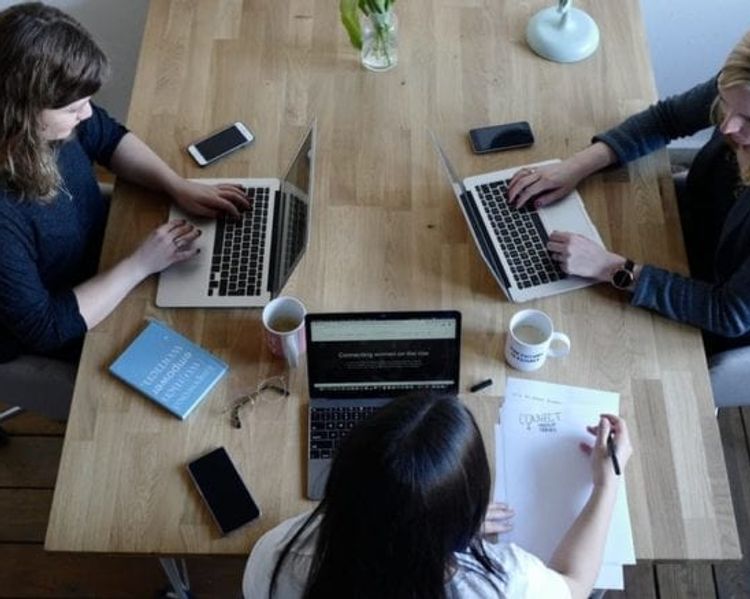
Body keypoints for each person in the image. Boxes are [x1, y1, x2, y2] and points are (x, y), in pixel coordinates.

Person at [0, 3, 248, 418]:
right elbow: (45, 327)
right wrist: (140, 264)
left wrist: (176, 185)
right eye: (71, 109)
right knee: (216, 362)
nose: (85, 114)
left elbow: (108, 138)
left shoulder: (52, 124)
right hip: (68, 322)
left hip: (112, 258)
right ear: (19, 113)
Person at [507, 30, 750, 360]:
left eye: (748, 120)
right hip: (683, 232)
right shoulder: (740, 89)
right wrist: (575, 167)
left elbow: (727, 313)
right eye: (726, 105)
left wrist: (611, 269)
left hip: (705, 305)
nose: (727, 128)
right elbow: (667, 119)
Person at [242, 394, 632, 599]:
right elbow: (575, 584)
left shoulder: (275, 556)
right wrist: (605, 482)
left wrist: (430, 519)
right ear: (466, 521)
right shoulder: (505, 585)